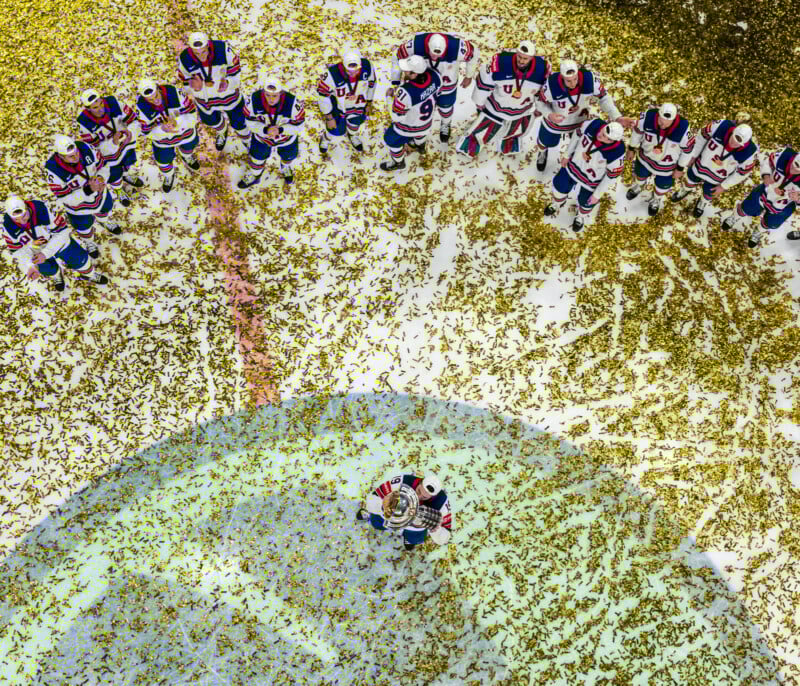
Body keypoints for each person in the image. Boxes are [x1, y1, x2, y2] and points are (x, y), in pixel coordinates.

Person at [535, 58, 635, 173]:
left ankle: (570, 161)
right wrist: (549, 114)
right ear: (562, 77)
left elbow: (603, 97)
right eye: (568, 81)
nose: (573, 83)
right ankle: (542, 152)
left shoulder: (589, 79)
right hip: (555, 123)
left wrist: (617, 117)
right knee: (545, 141)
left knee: (577, 145)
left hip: (579, 121)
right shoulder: (552, 84)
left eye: (575, 79)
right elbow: (540, 102)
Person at [457, 41, 549, 158]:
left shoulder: (542, 69)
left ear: (532, 57)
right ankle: (470, 145)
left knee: (517, 129)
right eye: (519, 57)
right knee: (482, 129)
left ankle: (509, 142)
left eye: (525, 59)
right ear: (516, 53)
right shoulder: (500, 62)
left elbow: (543, 92)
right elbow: (484, 82)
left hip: (522, 109)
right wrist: (479, 102)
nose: (521, 61)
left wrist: (540, 108)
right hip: (496, 107)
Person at [389, 31, 479, 142]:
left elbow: (474, 53)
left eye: (438, 54)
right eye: (433, 53)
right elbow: (397, 56)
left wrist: (469, 75)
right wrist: (395, 80)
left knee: (446, 107)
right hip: (423, 85)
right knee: (417, 110)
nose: (435, 56)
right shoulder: (416, 43)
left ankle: (445, 124)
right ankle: (417, 133)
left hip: (447, 85)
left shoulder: (457, 47)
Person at [3, 194, 107, 291]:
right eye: (16, 219)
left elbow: (63, 231)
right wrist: (30, 265)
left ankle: (90, 274)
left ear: (26, 207)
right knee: (48, 270)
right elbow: (17, 250)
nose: (22, 221)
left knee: (81, 261)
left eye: (24, 216)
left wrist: (45, 253)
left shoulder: (41, 209)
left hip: (60, 245)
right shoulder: (8, 226)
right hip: (36, 254)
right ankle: (56, 274)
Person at [44, 134, 121, 259]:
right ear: (61, 156)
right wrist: (87, 190)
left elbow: (103, 165)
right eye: (70, 156)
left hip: (100, 194)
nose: (76, 157)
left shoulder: (85, 148)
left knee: (105, 209)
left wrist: (101, 178)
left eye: (76, 153)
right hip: (78, 208)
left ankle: (104, 222)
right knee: (84, 227)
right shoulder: (53, 171)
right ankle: (89, 242)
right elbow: (64, 198)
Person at [543, 119, 625, 232]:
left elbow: (611, 176)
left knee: (586, 202)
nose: (602, 137)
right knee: (559, 185)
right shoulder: (592, 124)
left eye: (608, 138)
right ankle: (557, 203)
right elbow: (576, 137)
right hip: (574, 165)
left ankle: (580, 216)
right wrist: (567, 154)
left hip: (591, 179)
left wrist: (597, 194)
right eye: (603, 133)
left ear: (615, 141)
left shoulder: (618, 152)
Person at [670, 115, 758, 218]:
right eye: (734, 138)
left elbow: (742, 173)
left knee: (709, 193)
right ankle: (685, 189)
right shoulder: (721, 125)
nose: (734, 143)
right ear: (733, 131)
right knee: (690, 179)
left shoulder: (750, 152)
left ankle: (703, 202)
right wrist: (694, 155)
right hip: (701, 163)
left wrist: (724, 186)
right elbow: (702, 136)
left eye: (739, 142)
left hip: (718, 176)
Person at [177, 31, 250, 152]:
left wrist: (228, 82)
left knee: (240, 122)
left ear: (207, 45)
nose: (201, 56)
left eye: (203, 51)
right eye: (196, 53)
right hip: (205, 100)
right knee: (211, 120)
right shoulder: (185, 58)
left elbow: (236, 70)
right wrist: (194, 87)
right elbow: (185, 82)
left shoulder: (223, 49)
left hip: (229, 96)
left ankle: (247, 141)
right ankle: (222, 131)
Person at [721, 145, 800, 247]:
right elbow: (767, 162)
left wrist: (798, 198)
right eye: (795, 164)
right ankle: (734, 217)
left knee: (771, 222)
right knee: (747, 206)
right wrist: (766, 176)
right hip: (766, 190)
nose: (794, 169)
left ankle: (758, 231)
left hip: (784, 204)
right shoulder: (784, 154)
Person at [625, 103, 695, 216]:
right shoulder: (648, 117)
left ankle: (656, 199)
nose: (663, 126)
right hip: (646, 157)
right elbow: (637, 133)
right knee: (640, 174)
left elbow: (688, 151)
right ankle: (638, 186)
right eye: (661, 122)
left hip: (667, 165)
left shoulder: (683, 129)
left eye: (667, 124)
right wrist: (632, 148)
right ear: (658, 114)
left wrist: (680, 168)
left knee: (663, 185)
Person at [76, 88, 141, 209]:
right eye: (95, 107)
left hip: (125, 145)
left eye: (101, 103)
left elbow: (134, 120)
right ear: (88, 108)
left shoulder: (114, 103)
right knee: (114, 173)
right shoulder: (84, 123)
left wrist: (129, 132)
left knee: (128, 162)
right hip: (109, 155)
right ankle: (119, 189)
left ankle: (126, 175)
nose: (101, 108)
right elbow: (93, 149)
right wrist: (113, 142)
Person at [238, 75, 306, 191]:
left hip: (286, 139)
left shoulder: (293, 103)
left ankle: (285, 167)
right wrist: (264, 130)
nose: (271, 99)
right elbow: (249, 121)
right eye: (268, 95)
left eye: (274, 95)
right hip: (262, 138)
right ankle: (255, 174)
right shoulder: (253, 100)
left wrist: (281, 130)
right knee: (257, 158)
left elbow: (299, 126)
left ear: (281, 93)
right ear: (263, 92)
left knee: (288, 156)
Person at [134, 77, 200, 193]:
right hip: (163, 141)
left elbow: (192, 113)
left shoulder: (174, 93)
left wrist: (178, 122)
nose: (155, 101)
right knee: (163, 161)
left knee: (189, 147)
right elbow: (145, 132)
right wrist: (162, 130)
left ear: (159, 89)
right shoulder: (141, 107)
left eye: (156, 96)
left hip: (185, 133)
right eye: (150, 99)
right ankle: (169, 176)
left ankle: (186, 156)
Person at [356, 473, 452, 551]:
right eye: (418, 491)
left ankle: (409, 540)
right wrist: (382, 505)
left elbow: (445, 537)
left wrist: (436, 530)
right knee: (376, 522)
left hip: (416, 526)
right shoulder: (403, 481)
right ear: (420, 482)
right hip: (392, 514)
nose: (418, 497)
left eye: (424, 497)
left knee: (416, 538)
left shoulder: (442, 503)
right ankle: (369, 517)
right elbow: (372, 498)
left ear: (432, 497)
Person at [380, 55, 441, 172]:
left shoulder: (405, 92)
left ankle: (398, 162)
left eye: (407, 70)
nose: (404, 71)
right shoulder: (436, 75)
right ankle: (420, 146)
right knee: (420, 134)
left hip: (409, 127)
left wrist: (389, 98)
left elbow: (396, 117)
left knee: (390, 139)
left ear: (414, 74)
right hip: (427, 123)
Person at [316, 47, 376, 155]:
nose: (352, 74)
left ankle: (352, 135)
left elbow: (372, 83)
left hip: (359, 104)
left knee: (356, 123)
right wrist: (329, 117)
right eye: (348, 71)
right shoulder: (332, 73)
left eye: (356, 70)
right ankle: (326, 139)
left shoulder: (367, 66)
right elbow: (322, 95)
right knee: (335, 130)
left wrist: (369, 102)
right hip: (339, 106)